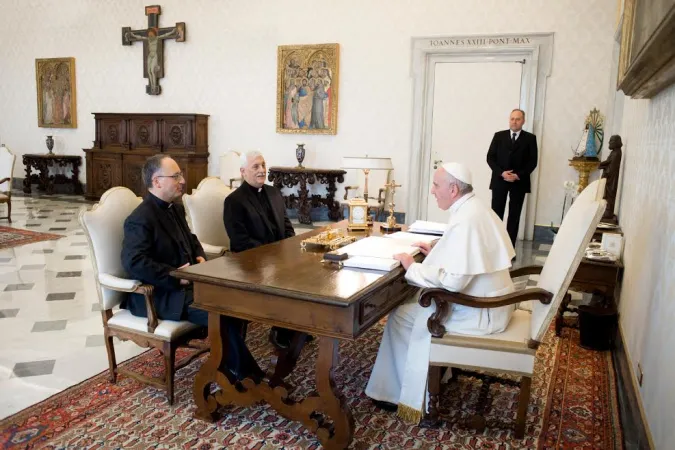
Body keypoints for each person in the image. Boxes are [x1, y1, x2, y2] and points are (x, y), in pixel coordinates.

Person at [365, 162, 516, 424]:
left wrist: (412, 268)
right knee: (412, 305)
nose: (433, 191)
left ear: (454, 189)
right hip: (492, 302)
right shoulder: (475, 207)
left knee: (402, 315)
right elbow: (466, 254)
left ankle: (399, 394)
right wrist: (438, 249)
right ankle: (435, 373)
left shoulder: (467, 219)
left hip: (481, 312)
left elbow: (455, 282)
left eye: (436, 185)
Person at [121, 155, 262, 381]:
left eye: (181, 175)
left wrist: (199, 256)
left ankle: (229, 366)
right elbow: (134, 263)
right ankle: (245, 376)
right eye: (176, 176)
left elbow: (192, 239)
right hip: (161, 295)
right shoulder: (140, 218)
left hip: (187, 287)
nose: (183, 180)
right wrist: (178, 277)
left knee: (237, 302)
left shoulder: (174, 208)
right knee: (221, 314)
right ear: (157, 182)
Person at [223, 151, 298, 348]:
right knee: (285, 278)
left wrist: (289, 251)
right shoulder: (234, 201)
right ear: (243, 172)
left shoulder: (274, 193)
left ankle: (294, 327)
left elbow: (287, 227)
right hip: (252, 263)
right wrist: (273, 256)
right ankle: (281, 331)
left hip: (280, 258)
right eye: (255, 166)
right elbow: (240, 242)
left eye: (263, 165)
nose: (262, 170)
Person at [486, 109, 538, 252]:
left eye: (518, 119)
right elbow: (490, 158)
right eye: (512, 119)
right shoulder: (499, 136)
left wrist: (518, 175)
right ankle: (495, 249)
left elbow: (532, 162)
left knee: (514, 216)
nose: (514, 122)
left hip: (519, 182)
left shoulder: (530, 138)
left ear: (523, 121)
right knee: (496, 215)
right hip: (499, 181)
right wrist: (501, 173)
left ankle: (509, 250)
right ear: (509, 120)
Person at [598, 135, 622, 222]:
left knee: (609, 195)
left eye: (611, 141)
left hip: (611, 180)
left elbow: (611, 168)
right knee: (606, 195)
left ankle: (608, 213)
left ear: (616, 143)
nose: (609, 143)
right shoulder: (614, 152)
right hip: (609, 179)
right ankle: (606, 212)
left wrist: (602, 166)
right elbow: (609, 162)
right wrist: (602, 165)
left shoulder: (616, 153)